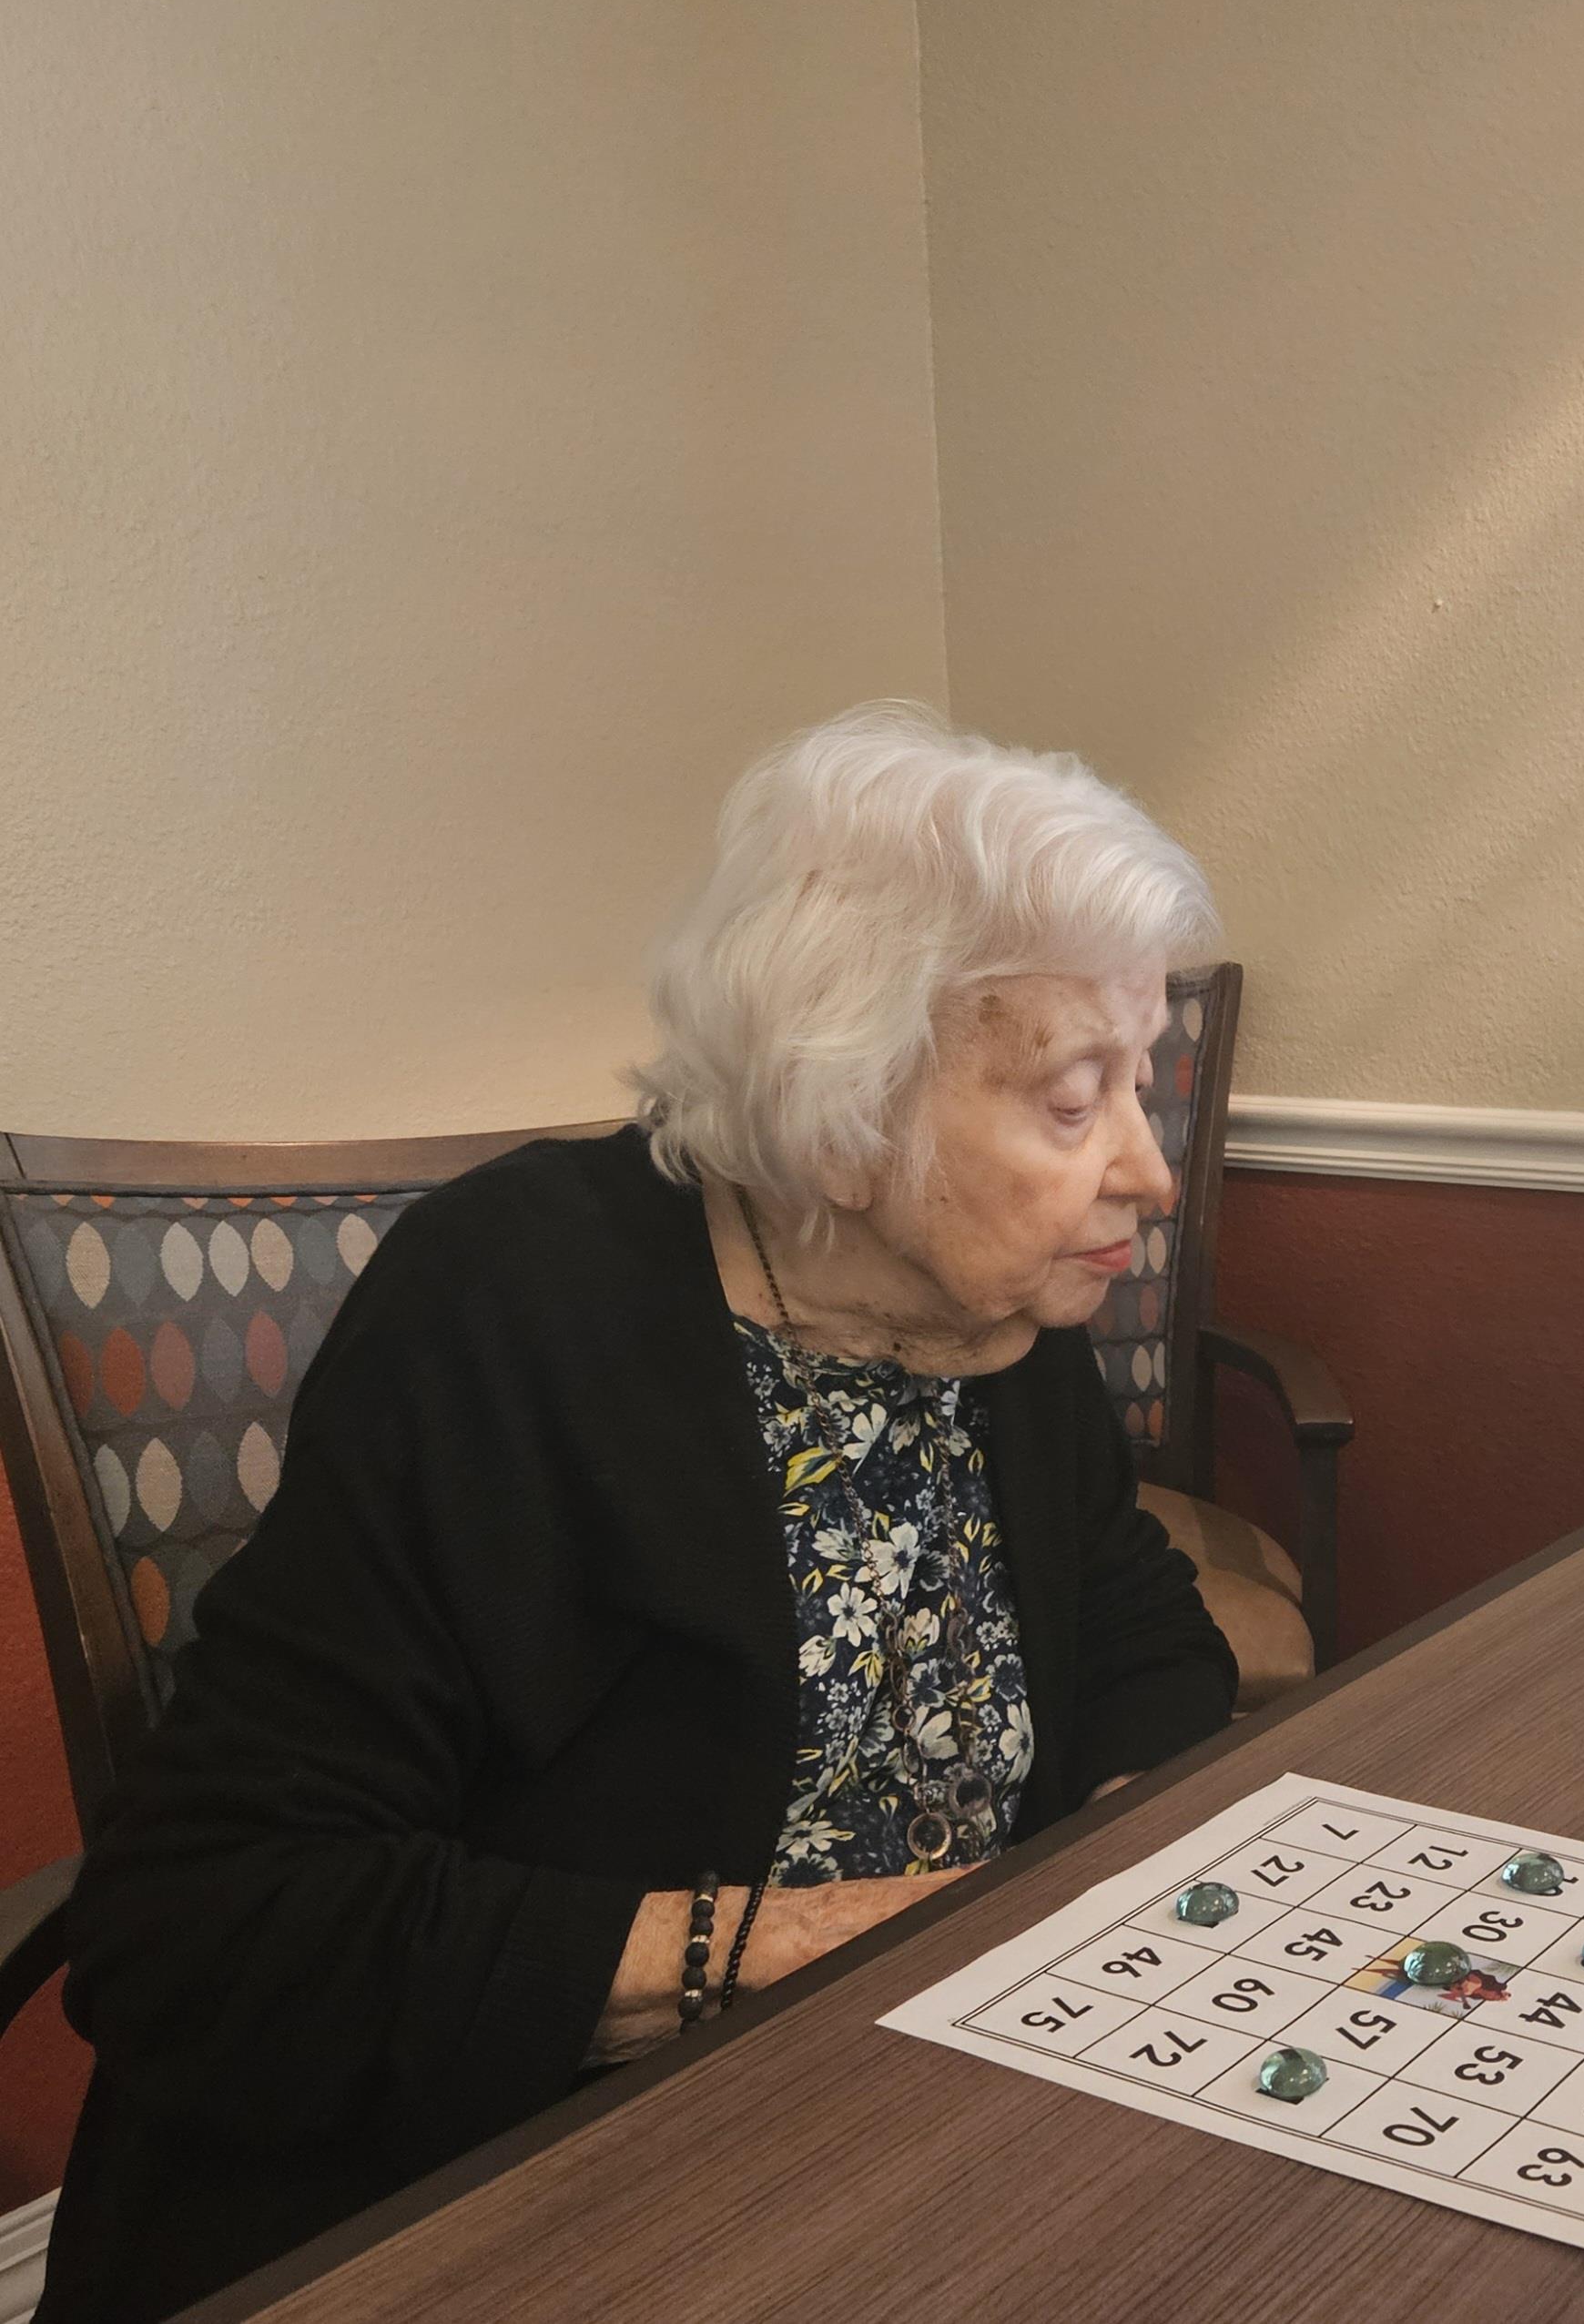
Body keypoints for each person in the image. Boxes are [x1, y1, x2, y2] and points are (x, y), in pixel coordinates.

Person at [43, 705, 1239, 2322]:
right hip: (485, 2202)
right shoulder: (515, 1306)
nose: (1149, 1177)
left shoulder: (982, 1315)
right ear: (854, 1106)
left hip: (892, 2139)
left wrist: (1091, 1859)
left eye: (1140, 1084)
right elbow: (205, 1924)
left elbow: (1144, 1636)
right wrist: (815, 1950)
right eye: (1072, 1100)